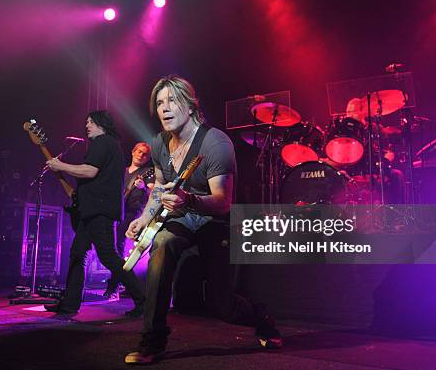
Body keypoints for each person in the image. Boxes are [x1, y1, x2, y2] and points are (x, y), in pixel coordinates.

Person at [124, 75, 283, 364]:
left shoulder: (215, 143)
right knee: (162, 244)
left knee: (221, 306)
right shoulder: (159, 143)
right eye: (160, 103)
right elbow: (159, 189)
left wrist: (190, 199)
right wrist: (145, 219)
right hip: (180, 218)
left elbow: (223, 202)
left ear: (191, 104)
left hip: (212, 218)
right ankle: (153, 341)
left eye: (172, 100)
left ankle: (261, 317)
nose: (164, 108)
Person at [44, 110, 145, 317]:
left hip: (100, 211)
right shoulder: (111, 146)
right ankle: (70, 305)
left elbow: (90, 171)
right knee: (77, 254)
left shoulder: (102, 142)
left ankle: (143, 301)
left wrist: (60, 165)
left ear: (101, 124)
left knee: (108, 256)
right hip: (92, 210)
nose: (87, 125)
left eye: (90, 122)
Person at [103, 142, 155, 298]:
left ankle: (115, 285)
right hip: (117, 212)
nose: (141, 155)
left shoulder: (148, 172)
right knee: (112, 248)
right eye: (139, 152)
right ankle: (121, 283)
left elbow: (154, 194)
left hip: (133, 214)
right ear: (133, 152)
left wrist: (143, 188)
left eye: (145, 154)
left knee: (119, 248)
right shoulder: (123, 171)